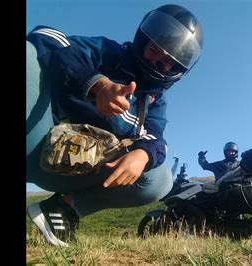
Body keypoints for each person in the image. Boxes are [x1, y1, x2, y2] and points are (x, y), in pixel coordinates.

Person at [26, 4, 203, 247]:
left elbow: (156, 138)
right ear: (142, 41)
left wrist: (143, 154)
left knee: (159, 179)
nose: (157, 64)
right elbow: (45, 36)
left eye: (167, 64)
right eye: (154, 51)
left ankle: (63, 208)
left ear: (178, 71)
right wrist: (96, 84)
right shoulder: (109, 52)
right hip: (35, 139)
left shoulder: (155, 101)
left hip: (73, 169)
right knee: (28, 54)